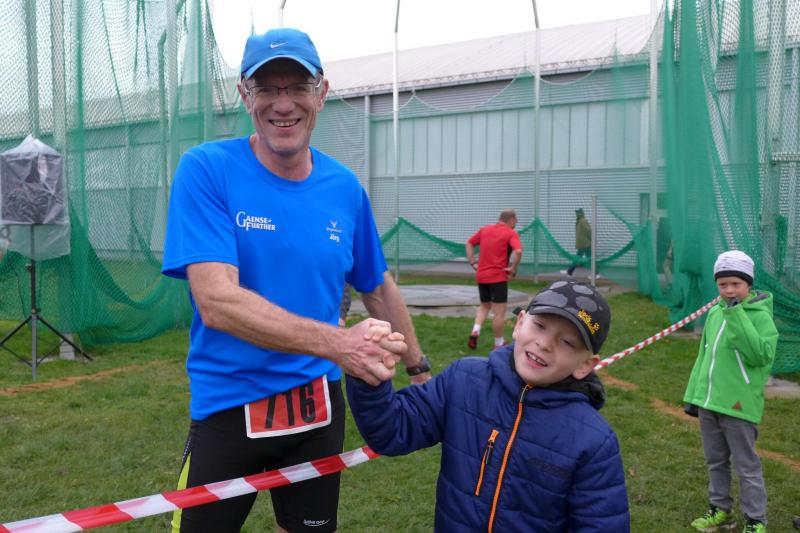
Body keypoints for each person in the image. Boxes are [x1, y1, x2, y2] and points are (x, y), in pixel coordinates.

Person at [161, 27, 431, 533]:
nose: (283, 104)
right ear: (245, 95)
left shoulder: (344, 188)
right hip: (229, 406)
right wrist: (341, 345)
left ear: (321, 93)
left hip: (318, 410)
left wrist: (420, 370)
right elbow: (217, 300)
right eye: (267, 87)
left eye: (298, 86)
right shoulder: (208, 170)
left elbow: (377, 286)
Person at [347, 279, 630, 531]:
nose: (544, 343)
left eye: (567, 341)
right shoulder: (464, 380)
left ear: (585, 365)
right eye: (540, 325)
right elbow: (393, 431)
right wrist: (369, 376)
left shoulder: (594, 442)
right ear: (519, 324)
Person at [684, 250, 778, 533]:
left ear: (748, 283)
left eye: (736, 284)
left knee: (746, 465)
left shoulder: (760, 316)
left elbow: (759, 355)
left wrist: (737, 315)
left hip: (739, 405)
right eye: (723, 284)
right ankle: (721, 510)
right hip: (710, 403)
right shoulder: (715, 312)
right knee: (715, 461)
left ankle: (756, 520)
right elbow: (705, 357)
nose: (728, 290)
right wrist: (694, 396)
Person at [465, 209, 522, 350]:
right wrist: (513, 268)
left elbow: (469, 243)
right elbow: (518, 251)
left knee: (484, 306)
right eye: (516, 220)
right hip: (498, 277)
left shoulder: (485, 230)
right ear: (511, 220)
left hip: (482, 276)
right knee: (499, 313)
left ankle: (475, 331)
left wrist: (473, 262)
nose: (516, 223)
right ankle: (498, 343)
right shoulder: (510, 233)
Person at [565, 207, 591, 276]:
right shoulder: (581, 221)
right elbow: (588, 231)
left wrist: (592, 239)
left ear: (581, 213)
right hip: (584, 243)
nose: (577, 214)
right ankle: (595, 272)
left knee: (580, 257)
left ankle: (570, 270)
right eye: (576, 212)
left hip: (583, 243)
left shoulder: (581, 221)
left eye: (578, 212)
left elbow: (588, 231)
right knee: (589, 257)